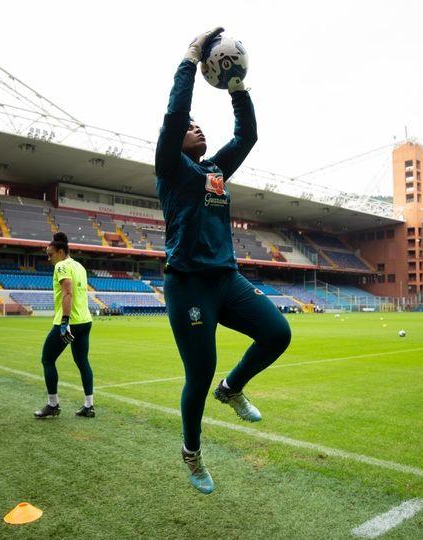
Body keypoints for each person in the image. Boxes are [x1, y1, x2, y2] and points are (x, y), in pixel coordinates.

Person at [155, 27, 292, 494]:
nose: (196, 129)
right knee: (198, 374)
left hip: (226, 280)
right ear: (173, 140)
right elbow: (175, 114)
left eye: (198, 126)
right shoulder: (171, 169)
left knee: (278, 333)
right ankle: (192, 453)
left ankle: (232, 389)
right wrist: (190, 59)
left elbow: (247, 135)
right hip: (188, 284)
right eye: (189, 129)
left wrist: (237, 89)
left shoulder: (214, 171)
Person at [34, 232, 96, 419]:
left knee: (47, 359)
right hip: (85, 321)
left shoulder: (61, 266)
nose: (49, 258)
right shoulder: (79, 266)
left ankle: (53, 405)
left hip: (70, 322)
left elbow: (68, 292)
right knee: (82, 361)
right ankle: (89, 406)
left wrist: (64, 322)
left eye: (50, 254)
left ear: (60, 252)